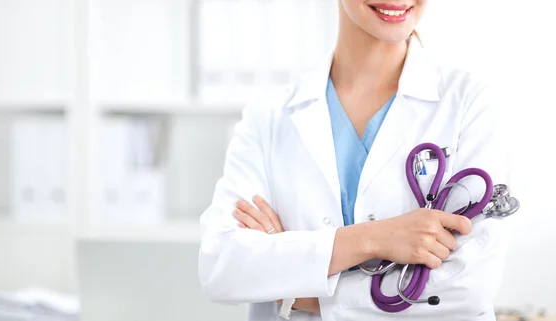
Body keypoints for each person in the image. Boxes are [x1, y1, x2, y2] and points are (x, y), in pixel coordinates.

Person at [198, 0, 511, 320]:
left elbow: (469, 286)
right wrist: (376, 238)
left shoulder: (468, 104)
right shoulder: (269, 116)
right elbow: (223, 266)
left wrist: (300, 289)